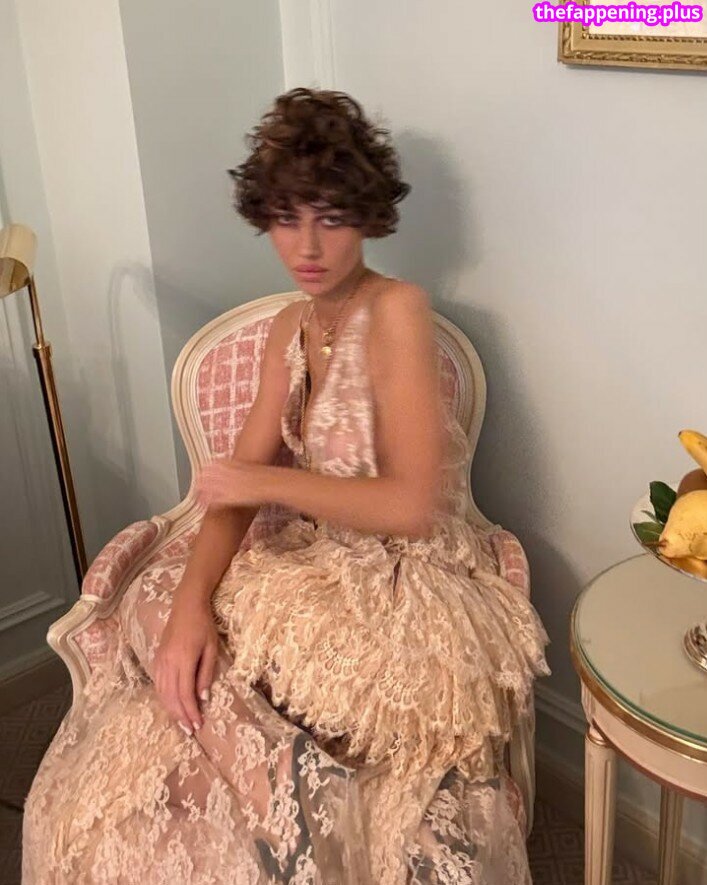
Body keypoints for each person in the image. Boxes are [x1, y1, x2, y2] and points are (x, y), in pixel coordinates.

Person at [22, 87, 550, 884]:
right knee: (157, 603)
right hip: (320, 559)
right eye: (285, 217)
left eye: (330, 217)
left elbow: (411, 506)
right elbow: (230, 493)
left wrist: (263, 478)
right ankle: (289, 783)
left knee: (194, 649)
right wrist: (190, 607)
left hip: (402, 581)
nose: (306, 245)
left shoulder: (397, 309)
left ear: (366, 216)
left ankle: (292, 791)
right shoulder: (288, 329)